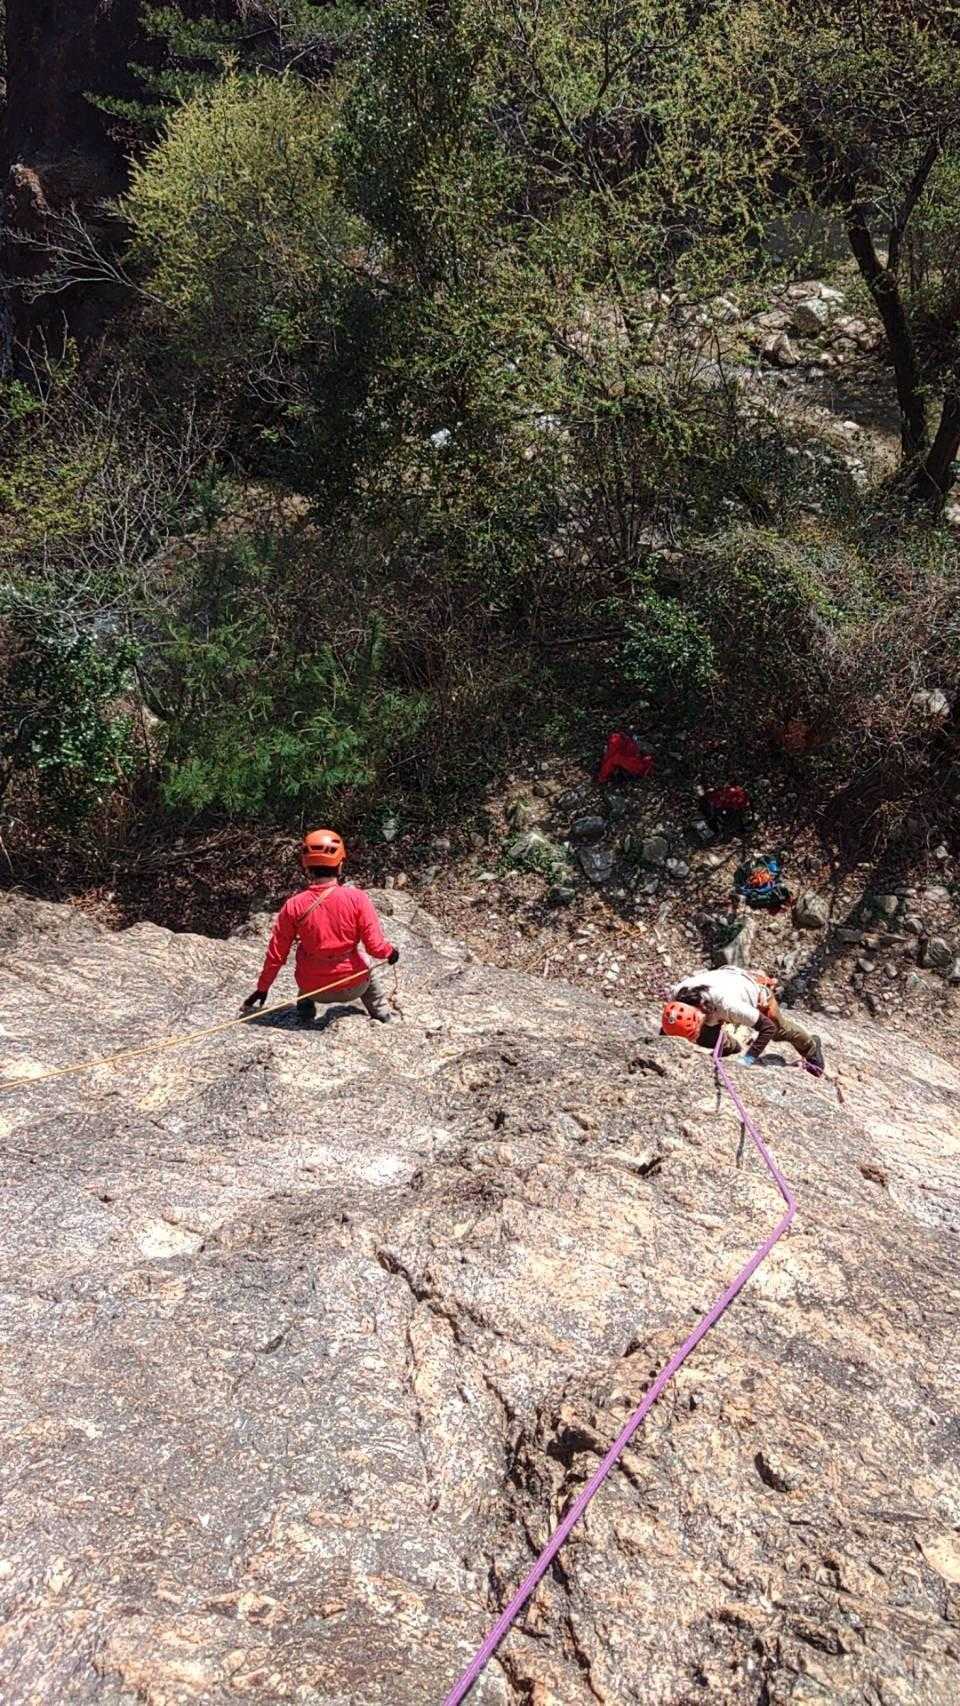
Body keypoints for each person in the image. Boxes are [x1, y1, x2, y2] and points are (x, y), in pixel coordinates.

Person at [241, 829, 399, 1026]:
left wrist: (262, 988)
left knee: (306, 957)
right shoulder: (357, 899)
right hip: (353, 987)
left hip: (313, 989)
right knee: (366, 963)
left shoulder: (294, 905)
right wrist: (391, 952)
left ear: (307, 867)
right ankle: (382, 1014)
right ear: (340, 864)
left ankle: (305, 1012)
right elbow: (375, 947)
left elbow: (276, 954)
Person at [661, 964, 824, 1074]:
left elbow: (768, 1028)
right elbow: (671, 1026)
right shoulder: (678, 996)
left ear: (700, 1015)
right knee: (704, 1035)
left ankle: (811, 1047)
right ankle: (731, 1047)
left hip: (752, 990)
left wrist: (748, 1058)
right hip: (725, 979)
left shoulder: (729, 1006)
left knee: (779, 1031)